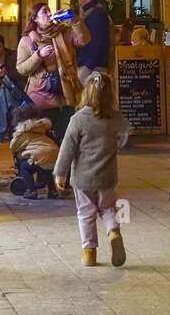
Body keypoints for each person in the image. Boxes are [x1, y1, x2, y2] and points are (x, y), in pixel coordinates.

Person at [54, 71, 131, 266]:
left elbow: (67, 147)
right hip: (107, 177)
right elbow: (124, 137)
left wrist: (60, 173)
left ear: (85, 93)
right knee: (108, 209)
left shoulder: (78, 119)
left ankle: (89, 252)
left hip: (83, 178)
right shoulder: (115, 117)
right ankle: (113, 232)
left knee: (86, 213)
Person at [16, 3, 89, 143]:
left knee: (68, 139)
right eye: (44, 12)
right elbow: (21, 69)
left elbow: (84, 40)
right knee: (46, 141)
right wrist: (39, 55)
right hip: (40, 98)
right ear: (35, 18)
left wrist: (74, 20)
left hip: (65, 95)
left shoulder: (63, 32)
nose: (49, 14)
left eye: (49, 10)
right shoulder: (27, 41)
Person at [9, 101, 59, 199]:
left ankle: (31, 190)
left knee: (24, 167)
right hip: (54, 155)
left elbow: (13, 147)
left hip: (40, 156)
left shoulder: (23, 132)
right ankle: (52, 191)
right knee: (45, 169)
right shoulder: (41, 128)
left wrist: (15, 136)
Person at [75, 0, 112, 81]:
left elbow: (99, 42)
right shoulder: (90, 12)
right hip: (89, 64)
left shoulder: (97, 13)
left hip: (92, 67)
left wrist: (88, 66)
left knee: (90, 96)